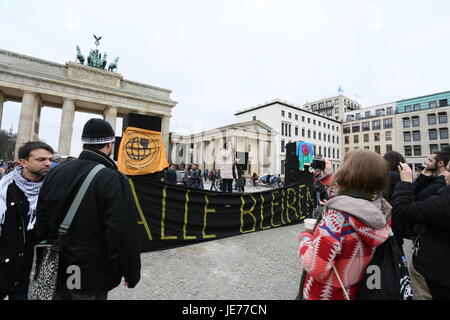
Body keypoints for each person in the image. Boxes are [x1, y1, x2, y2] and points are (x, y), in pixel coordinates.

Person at [34, 118, 141, 300]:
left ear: (85, 143)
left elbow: (42, 215)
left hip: (57, 265)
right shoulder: (112, 179)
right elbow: (121, 231)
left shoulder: (56, 171)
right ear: (109, 144)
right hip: (89, 271)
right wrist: (130, 272)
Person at [298, 150, 391, 300]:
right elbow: (349, 200)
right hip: (352, 290)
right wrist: (328, 176)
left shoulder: (337, 219)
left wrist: (305, 237)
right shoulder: (381, 210)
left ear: (348, 173)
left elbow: (317, 268)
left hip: (325, 294)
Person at [0, 141, 54, 300]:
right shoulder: (5, 188)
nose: (48, 163)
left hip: (29, 274)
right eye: (41, 159)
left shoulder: (52, 190)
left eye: (50, 159)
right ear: (23, 162)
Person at [393, 161, 450, 300]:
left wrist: (406, 182)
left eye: (448, 171)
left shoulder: (444, 201)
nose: (445, 175)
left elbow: (404, 208)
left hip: (437, 274)